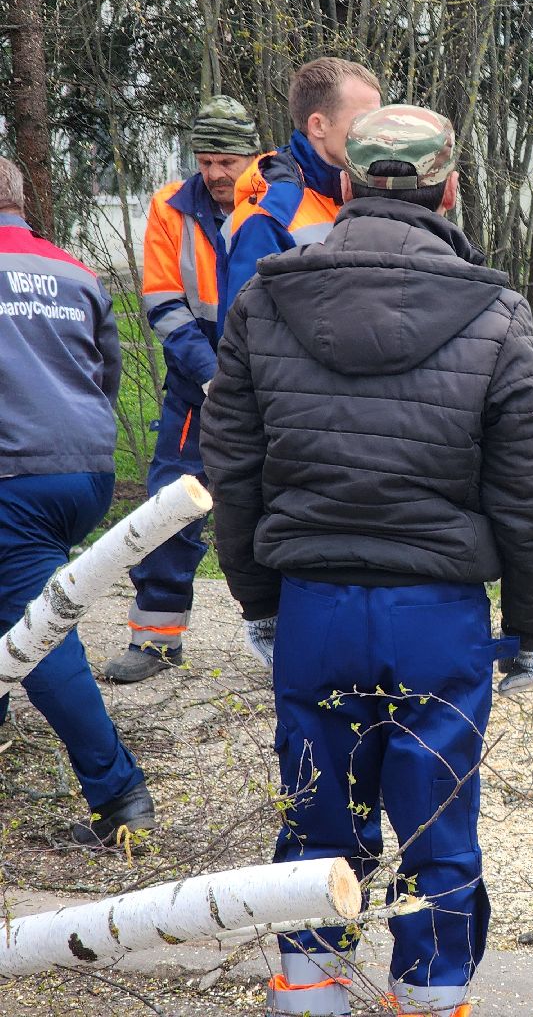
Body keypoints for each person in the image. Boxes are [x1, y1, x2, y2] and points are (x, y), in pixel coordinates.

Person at [203, 105, 533, 1017]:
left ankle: (310, 993)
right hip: (437, 613)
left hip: (315, 605)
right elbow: (529, 492)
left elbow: (234, 469)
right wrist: (530, 627)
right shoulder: (494, 311)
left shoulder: (264, 299)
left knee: (316, 808)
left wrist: (256, 601)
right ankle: (432, 995)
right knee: (439, 814)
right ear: (450, 190)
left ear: (344, 185)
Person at [0, 157, 156, 847]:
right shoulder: (73, 271)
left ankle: (119, 794)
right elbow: (107, 369)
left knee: (38, 630)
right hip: (84, 470)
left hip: (16, 475)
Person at [103, 96, 263, 684]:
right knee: (170, 507)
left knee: (286, 508)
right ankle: (156, 639)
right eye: (206, 160)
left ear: (252, 156)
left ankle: (298, 639)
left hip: (274, 389)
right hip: (198, 391)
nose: (216, 173)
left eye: (227, 161)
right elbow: (163, 305)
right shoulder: (170, 205)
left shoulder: (279, 196)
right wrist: (214, 376)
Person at [220, 56, 382, 333]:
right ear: (318, 125)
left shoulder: (367, 191)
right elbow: (248, 338)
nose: (376, 134)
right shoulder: (270, 216)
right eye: (362, 122)